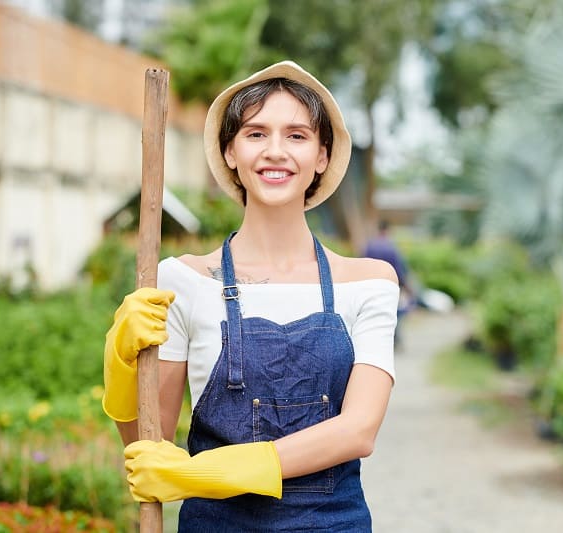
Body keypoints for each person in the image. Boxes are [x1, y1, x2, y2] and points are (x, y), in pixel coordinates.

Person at [101, 61, 399, 532]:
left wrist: (212, 473)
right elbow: (146, 439)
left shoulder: (368, 282)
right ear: (230, 151)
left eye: (297, 136)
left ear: (322, 155)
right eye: (256, 134)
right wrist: (120, 361)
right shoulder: (182, 279)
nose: (275, 151)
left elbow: (358, 430)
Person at [362, 220, 414, 348]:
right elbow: (399, 269)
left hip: (371, 285)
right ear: (388, 230)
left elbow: (362, 263)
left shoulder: (370, 245)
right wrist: (406, 286)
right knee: (394, 312)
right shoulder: (392, 247)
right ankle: (394, 339)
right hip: (389, 285)